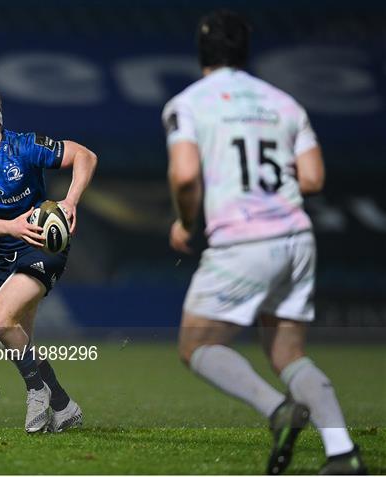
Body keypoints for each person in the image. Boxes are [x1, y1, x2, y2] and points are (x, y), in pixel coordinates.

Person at [163, 10, 366, 475]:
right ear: (244, 52)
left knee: (196, 346)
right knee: (287, 353)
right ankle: (342, 453)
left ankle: (279, 410)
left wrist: (185, 222)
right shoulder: (285, 103)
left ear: (201, 54)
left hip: (242, 241)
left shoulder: (187, 103)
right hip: (296, 239)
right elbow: (312, 178)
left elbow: (185, 172)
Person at [0, 85, 97, 433]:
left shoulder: (24, 145)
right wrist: (10, 226)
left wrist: (71, 200)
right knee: (18, 339)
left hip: (44, 242)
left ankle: (35, 392)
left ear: (0, 123)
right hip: (6, 248)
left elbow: (85, 156)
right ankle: (62, 404)